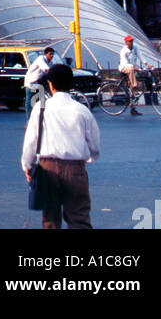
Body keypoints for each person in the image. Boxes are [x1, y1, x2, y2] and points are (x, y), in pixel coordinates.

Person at [21, 63, 100, 230]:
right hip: (75, 169)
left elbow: (30, 142)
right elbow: (94, 145)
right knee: (79, 220)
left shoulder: (41, 109)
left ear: (50, 84)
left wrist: (27, 167)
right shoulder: (82, 110)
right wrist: (86, 160)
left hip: (47, 169)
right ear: (71, 84)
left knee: (50, 220)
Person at [119, 35, 149, 115]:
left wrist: (146, 64)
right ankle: (135, 87)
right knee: (131, 68)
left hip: (132, 70)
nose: (131, 43)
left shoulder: (135, 47)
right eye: (129, 41)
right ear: (126, 42)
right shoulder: (123, 51)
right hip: (124, 68)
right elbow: (126, 64)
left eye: (132, 41)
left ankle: (133, 109)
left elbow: (140, 56)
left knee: (130, 91)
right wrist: (136, 69)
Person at [24, 46, 57, 114]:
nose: (52, 56)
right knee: (30, 103)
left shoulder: (50, 62)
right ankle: (29, 121)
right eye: (50, 54)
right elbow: (46, 68)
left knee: (39, 103)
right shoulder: (40, 59)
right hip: (31, 83)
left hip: (39, 82)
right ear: (45, 54)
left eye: (53, 54)